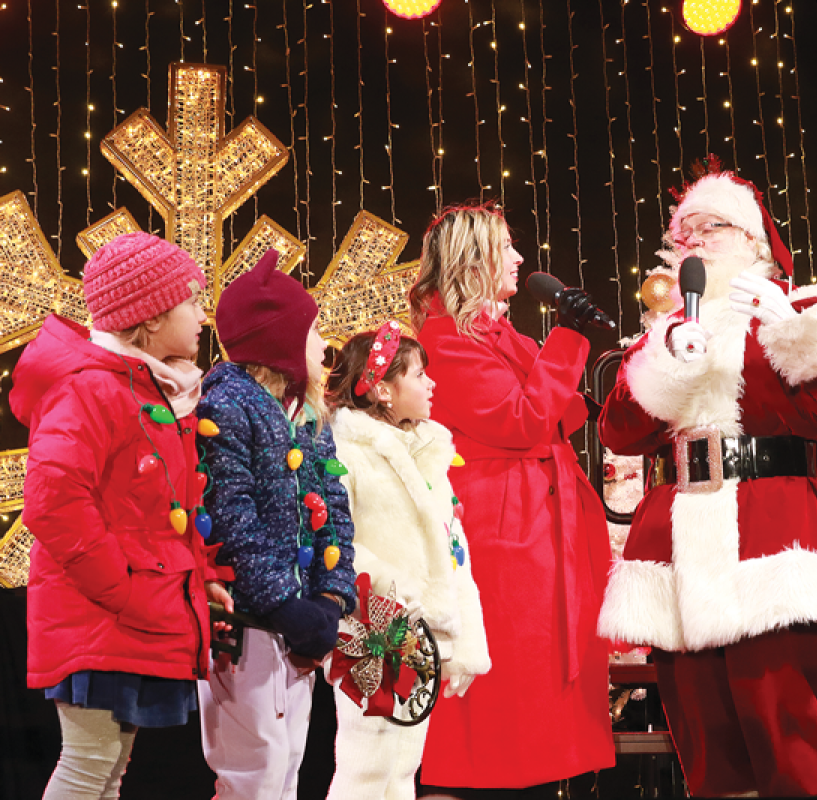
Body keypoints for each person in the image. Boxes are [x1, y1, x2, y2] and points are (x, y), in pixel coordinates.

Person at [596, 164, 817, 797]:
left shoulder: (799, 307)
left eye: (711, 226)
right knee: (708, 748)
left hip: (775, 545)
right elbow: (619, 432)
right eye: (683, 230)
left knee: (797, 742)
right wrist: (664, 362)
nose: (693, 239)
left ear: (752, 240)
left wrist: (796, 332)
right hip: (684, 548)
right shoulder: (667, 330)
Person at [11, 232, 231, 799]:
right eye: (191, 300)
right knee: (89, 765)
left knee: (108, 771)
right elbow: (54, 501)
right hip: (101, 615)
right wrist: (125, 589)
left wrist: (198, 578)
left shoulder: (154, 391)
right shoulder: (91, 389)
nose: (202, 314)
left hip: (136, 610)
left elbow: (164, 511)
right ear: (151, 317)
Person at [408, 204, 615, 797]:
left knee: (539, 688)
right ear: (474, 260)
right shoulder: (444, 341)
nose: (520, 259)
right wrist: (569, 338)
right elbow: (522, 420)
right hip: (505, 529)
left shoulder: (499, 335)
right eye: (507, 246)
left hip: (537, 522)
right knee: (510, 692)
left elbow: (562, 412)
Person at [196, 250, 357, 800]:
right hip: (249, 622)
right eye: (312, 333)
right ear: (278, 340)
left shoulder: (307, 415)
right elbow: (231, 515)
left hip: (299, 625)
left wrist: (331, 600)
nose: (323, 347)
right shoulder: (227, 404)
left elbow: (334, 506)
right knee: (254, 771)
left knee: (288, 762)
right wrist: (284, 606)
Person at [324, 323, 490, 800]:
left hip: (425, 637)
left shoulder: (432, 458)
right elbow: (337, 539)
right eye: (419, 375)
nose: (431, 384)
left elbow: (454, 550)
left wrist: (463, 639)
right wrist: (395, 589)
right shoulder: (346, 453)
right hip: (373, 631)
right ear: (382, 390)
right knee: (366, 766)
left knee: (402, 769)